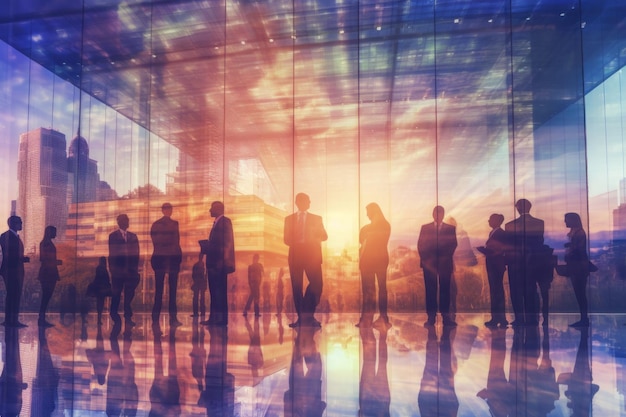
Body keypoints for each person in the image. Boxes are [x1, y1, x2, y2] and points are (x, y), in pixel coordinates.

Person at [284, 193, 328, 328]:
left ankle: (306, 314)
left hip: (312, 255)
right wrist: (298, 244)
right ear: (299, 202)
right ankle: (302, 319)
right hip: (295, 254)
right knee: (297, 288)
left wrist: (316, 233)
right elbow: (286, 239)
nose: (309, 203)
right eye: (308, 200)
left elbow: (325, 236)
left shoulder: (316, 218)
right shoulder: (289, 219)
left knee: (317, 284)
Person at [504, 199, 544, 326]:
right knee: (530, 290)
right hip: (531, 262)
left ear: (518, 208)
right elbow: (539, 243)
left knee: (516, 290)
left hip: (515, 263)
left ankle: (519, 318)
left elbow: (508, 245)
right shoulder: (539, 223)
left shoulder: (510, 225)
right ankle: (531, 318)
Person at [417, 205, 458, 327]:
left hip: (444, 264)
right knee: (430, 291)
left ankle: (446, 318)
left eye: (440, 213)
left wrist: (442, 259)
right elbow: (420, 245)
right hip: (429, 265)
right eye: (435, 213)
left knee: (445, 290)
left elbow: (453, 245)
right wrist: (427, 260)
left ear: (443, 214)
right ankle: (431, 318)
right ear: (433, 214)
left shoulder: (451, 228)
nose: (437, 215)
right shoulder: (425, 228)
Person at [200, 201, 235, 327]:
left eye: (212, 208)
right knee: (214, 291)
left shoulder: (225, 222)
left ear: (218, 209)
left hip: (218, 264)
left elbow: (226, 243)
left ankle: (220, 319)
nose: (210, 210)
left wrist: (223, 261)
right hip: (214, 263)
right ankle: (214, 318)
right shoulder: (217, 223)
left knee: (219, 291)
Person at [356, 202, 391, 329]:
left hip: (379, 260)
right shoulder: (366, 228)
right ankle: (367, 318)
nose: (367, 215)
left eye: (368, 212)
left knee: (381, 289)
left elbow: (379, 240)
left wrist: (370, 236)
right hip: (367, 261)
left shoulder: (384, 225)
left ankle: (382, 317)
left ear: (374, 211)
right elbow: (362, 240)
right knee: (367, 290)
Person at [150, 202, 183, 326]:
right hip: (170, 259)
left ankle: (156, 318)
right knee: (171, 290)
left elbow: (157, 242)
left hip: (161, 259)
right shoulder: (172, 224)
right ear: (165, 211)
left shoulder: (156, 225)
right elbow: (176, 242)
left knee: (159, 290)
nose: (170, 211)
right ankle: (172, 319)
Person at [108, 214, 140, 327]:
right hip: (118, 272)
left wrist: (135, 270)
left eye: (127, 220)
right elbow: (112, 254)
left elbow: (137, 254)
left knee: (129, 295)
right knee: (116, 293)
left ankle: (127, 317)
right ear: (119, 222)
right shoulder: (113, 236)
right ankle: (114, 313)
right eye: (125, 220)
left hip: (130, 272)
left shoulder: (133, 236)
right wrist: (113, 270)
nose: (127, 222)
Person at [476, 214, 508, 328]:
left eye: (490, 219)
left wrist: (485, 251)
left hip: (496, 266)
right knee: (496, 291)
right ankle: (498, 318)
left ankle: (498, 318)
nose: (488, 221)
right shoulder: (495, 233)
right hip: (494, 265)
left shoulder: (500, 233)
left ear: (496, 221)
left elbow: (498, 251)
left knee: (496, 291)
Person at [0, 215, 29, 327]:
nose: (21, 224)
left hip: (16, 270)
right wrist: (21, 259)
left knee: (15, 295)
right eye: (19, 222)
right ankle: (10, 320)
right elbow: (8, 254)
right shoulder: (5, 236)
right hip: (10, 270)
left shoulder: (14, 236)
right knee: (12, 294)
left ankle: (13, 320)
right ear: (12, 223)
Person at [563, 212, 590, 327]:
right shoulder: (577, 232)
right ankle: (583, 318)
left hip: (578, 267)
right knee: (580, 293)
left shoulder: (578, 233)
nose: (565, 222)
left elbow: (578, 250)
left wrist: (569, 249)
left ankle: (584, 319)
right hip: (579, 267)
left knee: (580, 293)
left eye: (566, 219)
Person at [37, 225, 62, 327]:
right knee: (46, 296)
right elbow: (43, 258)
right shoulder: (45, 244)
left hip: (49, 272)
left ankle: (42, 318)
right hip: (48, 273)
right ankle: (41, 319)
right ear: (49, 233)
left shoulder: (47, 243)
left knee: (47, 296)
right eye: (54, 232)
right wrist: (55, 262)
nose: (55, 234)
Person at [87, 256, 113, 325]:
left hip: (100, 288)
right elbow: (102, 278)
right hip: (102, 288)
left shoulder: (100, 268)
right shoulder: (102, 269)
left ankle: (99, 318)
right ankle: (99, 318)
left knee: (100, 303)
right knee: (100, 303)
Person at [191, 247, 207, 318]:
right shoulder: (203, 266)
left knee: (197, 298)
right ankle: (201, 312)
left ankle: (196, 313)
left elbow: (193, 275)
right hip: (200, 283)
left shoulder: (197, 265)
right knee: (200, 298)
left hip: (198, 283)